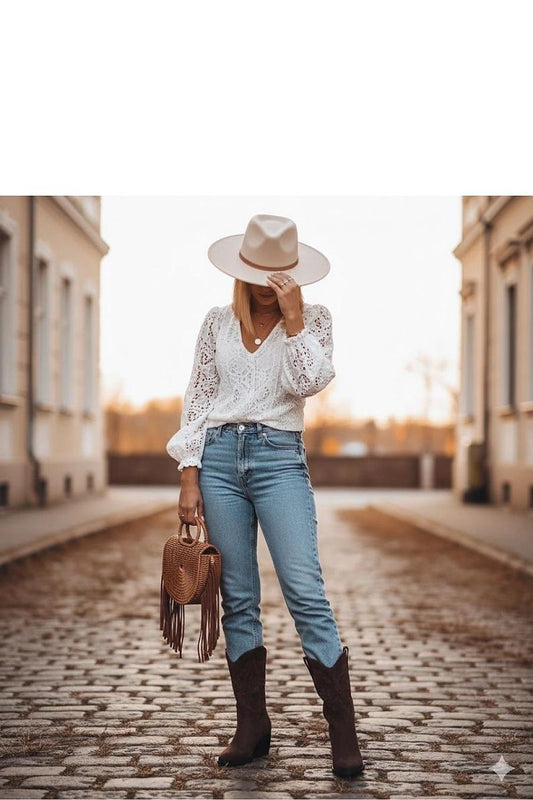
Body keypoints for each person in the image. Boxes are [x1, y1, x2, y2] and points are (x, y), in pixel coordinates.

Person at [166, 214, 365, 780]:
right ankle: (252, 727)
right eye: (256, 270)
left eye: (278, 273)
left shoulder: (317, 320)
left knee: (305, 588)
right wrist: (189, 471)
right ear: (241, 269)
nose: (266, 282)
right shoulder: (216, 322)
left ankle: (342, 731)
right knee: (238, 595)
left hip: (280, 458)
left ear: (295, 274)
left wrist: (297, 320)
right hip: (221, 462)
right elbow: (199, 397)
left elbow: (308, 384)